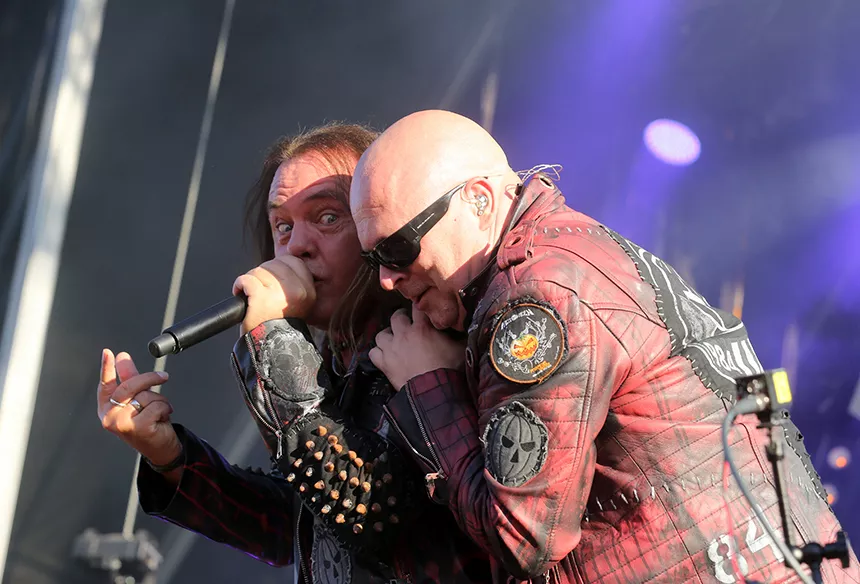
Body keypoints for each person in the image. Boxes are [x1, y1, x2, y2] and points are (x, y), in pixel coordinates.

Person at [350, 110, 860, 583]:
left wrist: (429, 388)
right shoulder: (575, 248)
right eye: (374, 259)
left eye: (398, 247)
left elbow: (523, 535)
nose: (388, 279)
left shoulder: (535, 297)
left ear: (479, 201)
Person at [98, 123, 491, 583]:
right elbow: (306, 524)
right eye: (282, 226)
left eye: (327, 217)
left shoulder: (432, 353)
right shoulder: (335, 363)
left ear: (377, 227)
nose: (296, 246)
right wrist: (170, 458)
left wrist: (272, 339)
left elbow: (371, 515)